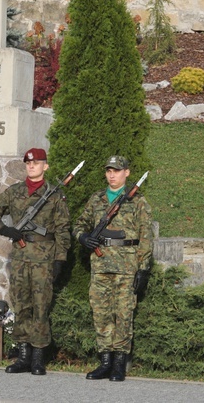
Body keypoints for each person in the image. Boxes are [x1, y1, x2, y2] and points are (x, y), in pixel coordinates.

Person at [0, 148, 71, 376]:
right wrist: (5, 229)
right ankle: (23, 356)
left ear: (46, 166)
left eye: (37, 163)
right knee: (22, 305)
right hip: (21, 258)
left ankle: (38, 358)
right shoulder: (14, 192)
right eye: (28, 163)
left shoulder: (54, 196)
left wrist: (59, 260)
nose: (31, 166)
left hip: (44, 258)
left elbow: (63, 229)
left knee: (41, 307)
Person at [73, 155, 153, 382]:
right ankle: (105, 361)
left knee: (123, 315)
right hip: (100, 266)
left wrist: (143, 268)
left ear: (126, 173)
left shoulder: (138, 202)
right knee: (101, 314)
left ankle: (119, 364)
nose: (112, 175)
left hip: (127, 267)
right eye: (109, 170)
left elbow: (146, 237)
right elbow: (78, 225)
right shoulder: (96, 199)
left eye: (117, 171)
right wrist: (84, 237)